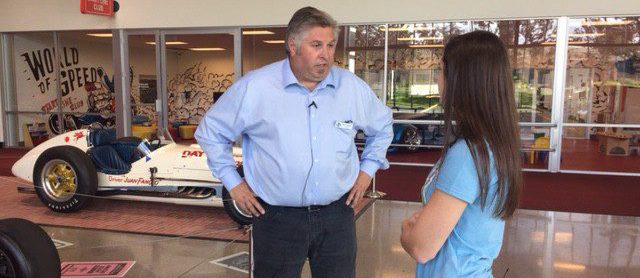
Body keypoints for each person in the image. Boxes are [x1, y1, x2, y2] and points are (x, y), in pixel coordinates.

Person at [195, 6, 393, 278]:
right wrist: (234, 184)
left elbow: (382, 127)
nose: (326, 54)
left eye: (330, 45)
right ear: (292, 46)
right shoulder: (256, 87)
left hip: (337, 216)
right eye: (316, 45)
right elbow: (210, 131)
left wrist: (366, 172)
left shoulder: (351, 88)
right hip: (277, 219)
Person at [400, 30, 523, 277]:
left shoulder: (468, 154)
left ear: (462, 80)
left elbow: (422, 247)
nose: (438, 79)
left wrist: (407, 231)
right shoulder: (494, 144)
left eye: (441, 70)